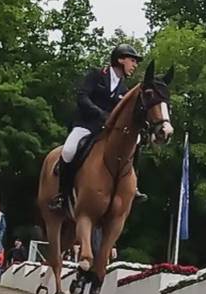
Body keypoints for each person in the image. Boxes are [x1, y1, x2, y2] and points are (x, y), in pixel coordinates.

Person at [49, 44, 147, 211]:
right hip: (86, 125)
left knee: (135, 141)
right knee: (68, 150)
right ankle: (62, 195)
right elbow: (82, 96)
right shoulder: (96, 74)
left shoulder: (124, 89)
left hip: (107, 131)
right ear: (120, 59)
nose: (135, 65)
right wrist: (100, 114)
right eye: (132, 60)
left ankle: (133, 185)